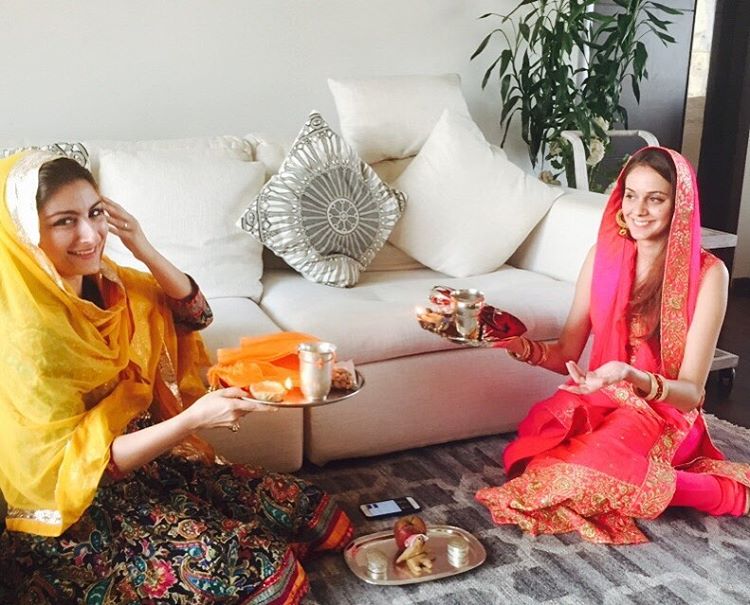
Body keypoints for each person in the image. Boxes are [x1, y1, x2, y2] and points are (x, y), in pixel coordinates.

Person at [0, 150, 352, 603]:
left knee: (303, 506)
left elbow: (196, 313)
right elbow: (81, 469)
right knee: (252, 565)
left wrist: (143, 247)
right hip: (77, 504)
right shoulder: (25, 337)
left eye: (95, 213)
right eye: (64, 222)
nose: (89, 235)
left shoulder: (110, 285)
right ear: (27, 234)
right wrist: (192, 420)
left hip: (148, 462)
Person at [476, 147, 750, 544]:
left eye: (655, 199)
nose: (639, 210)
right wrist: (517, 345)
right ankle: (641, 475)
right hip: (605, 399)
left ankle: (725, 492)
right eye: (631, 195)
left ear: (681, 206)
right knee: (532, 463)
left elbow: (691, 394)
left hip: (666, 414)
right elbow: (566, 352)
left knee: (587, 473)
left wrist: (630, 375)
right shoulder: (601, 258)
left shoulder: (709, 274)